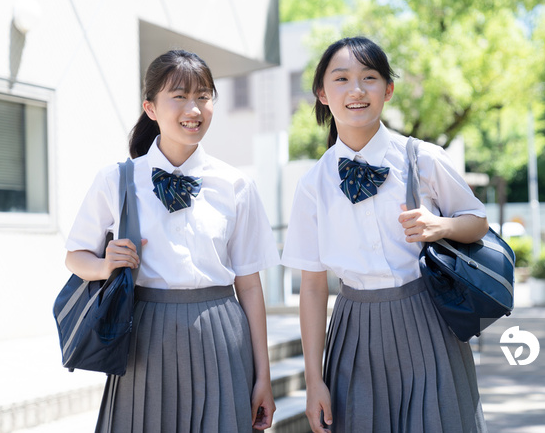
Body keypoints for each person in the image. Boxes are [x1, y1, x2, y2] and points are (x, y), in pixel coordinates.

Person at [281, 36, 489, 433]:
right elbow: (312, 286)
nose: (356, 90)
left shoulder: (421, 157)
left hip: (429, 320)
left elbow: (477, 220)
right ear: (323, 94)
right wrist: (313, 381)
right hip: (355, 331)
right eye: (341, 79)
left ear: (388, 89)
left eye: (369, 78)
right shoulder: (314, 183)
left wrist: (440, 225)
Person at [65, 49, 279, 432]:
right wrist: (104, 264)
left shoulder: (236, 186)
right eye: (179, 96)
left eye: (203, 96)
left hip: (221, 333)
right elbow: (75, 256)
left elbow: (248, 284)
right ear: (150, 107)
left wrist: (263, 376)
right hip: (145, 336)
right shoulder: (116, 179)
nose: (193, 109)